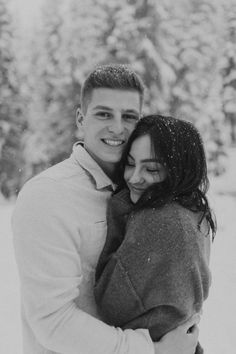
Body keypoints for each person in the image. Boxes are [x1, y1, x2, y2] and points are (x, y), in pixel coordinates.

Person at [12, 64, 200, 354]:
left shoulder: (145, 191)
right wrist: (153, 350)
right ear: (80, 118)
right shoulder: (47, 196)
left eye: (129, 116)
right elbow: (53, 321)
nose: (117, 127)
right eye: (103, 114)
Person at [95, 114, 217, 353]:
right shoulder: (193, 211)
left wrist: (119, 211)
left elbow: (110, 305)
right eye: (130, 163)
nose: (134, 177)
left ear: (179, 170)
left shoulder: (160, 221)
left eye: (151, 168)